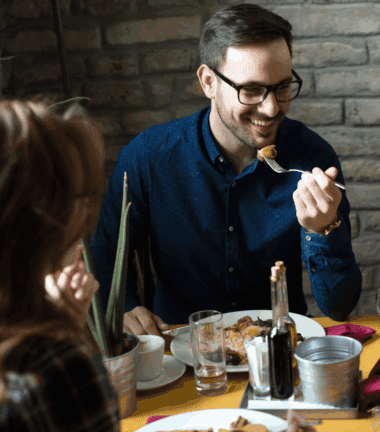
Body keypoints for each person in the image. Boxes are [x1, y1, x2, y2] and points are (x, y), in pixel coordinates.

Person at [90, 3, 362, 336]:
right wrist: (125, 307)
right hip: (179, 347)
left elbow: (340, 305)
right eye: (251, 90)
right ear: (208, 82)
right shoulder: (147, 157)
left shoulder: (313, 157)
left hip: (277, 346)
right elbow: (106, 251)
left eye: (282, 87)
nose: (271, 107)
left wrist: (324, 230)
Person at [0, 101, 118, 431]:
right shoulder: (57, 366)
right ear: (38, 220)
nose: (86, 212)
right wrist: (66, 335)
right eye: (81, 197)